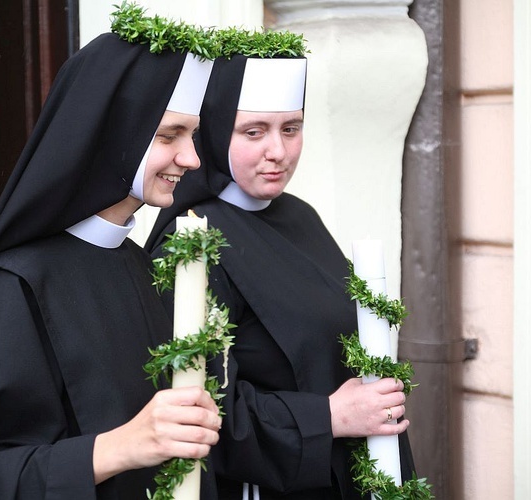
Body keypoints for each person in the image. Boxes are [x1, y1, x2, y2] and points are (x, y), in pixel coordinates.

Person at [0, 6, 225, 498]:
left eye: (192, 135)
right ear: (114, 133)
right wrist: (125, 446)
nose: (192, 158)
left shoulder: (139, 265)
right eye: (169, 135)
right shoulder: (15, 287)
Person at [146, 41, 417, 499]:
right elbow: (201, 409)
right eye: (253, 132)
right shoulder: (191, 242)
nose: (278, 151)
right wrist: (329, 416)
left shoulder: (300, 216)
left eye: (291, 128)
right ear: (213, 133)